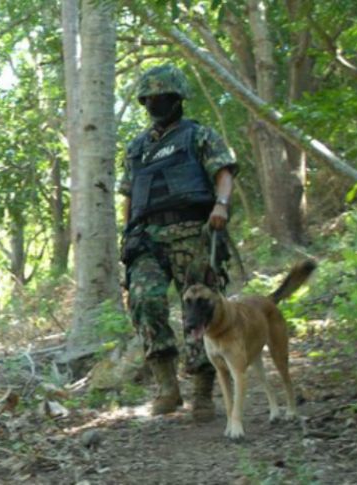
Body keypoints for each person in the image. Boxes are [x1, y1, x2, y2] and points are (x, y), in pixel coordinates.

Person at [119, 64, 239, 420]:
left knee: (200, 310)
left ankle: (203, 390)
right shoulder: (137, 148)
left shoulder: (198, 135)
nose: (155, 103)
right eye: (149, 99)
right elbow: (129, 195)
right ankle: (167, 386)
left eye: (163, 97)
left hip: (193, 233)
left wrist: (221, 205)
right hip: (146, 238)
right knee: (144, 301)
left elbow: (223, 172)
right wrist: (126, 235)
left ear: (178, 99)